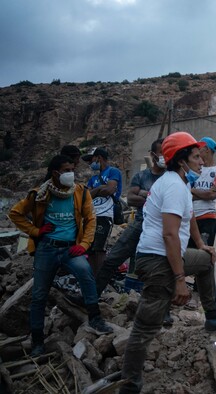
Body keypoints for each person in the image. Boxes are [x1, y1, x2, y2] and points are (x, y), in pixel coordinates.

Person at [120, 132, 216, 394]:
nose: (202, 162)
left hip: (165, 255)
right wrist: (179, 280)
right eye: (196, 157)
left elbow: (189, 218)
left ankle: (212, 315)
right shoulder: (175, 187)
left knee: (207, 260)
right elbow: (169, 234)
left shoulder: (180, 184)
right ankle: (129, 385)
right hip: (157, 261)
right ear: (181, 161)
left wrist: (201, 246)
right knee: (146, 327)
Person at [9, 155, 113, 357]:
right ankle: (37, 340)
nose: (70, 174)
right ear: (56, 172)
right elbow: (15, 213)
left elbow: (91, 219)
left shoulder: (80, 192)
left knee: (86, 274)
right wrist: (35, 231)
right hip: (46, 249)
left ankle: (95, 318)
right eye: (66, 170)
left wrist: (84, 245)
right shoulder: (40, 194)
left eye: (72, 169)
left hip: (70, 249)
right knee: (39, 294)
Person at [67, 140, 169, 322]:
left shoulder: (171, 178)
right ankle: (89, 299)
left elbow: (165, 202)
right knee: (111, 260)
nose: (164, 157)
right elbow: (130, 199)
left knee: (160, 269)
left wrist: (145, 196)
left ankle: (163, 312)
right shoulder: (141, 176)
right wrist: (155, 199)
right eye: (161, 153)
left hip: (162, 227)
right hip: (140, 222)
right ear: (153, 155)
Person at [84, 148, 122, 276]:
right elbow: (87, 195)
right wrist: (100, 187)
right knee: (90, 249)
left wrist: (97, 190)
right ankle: (91, 279)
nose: (90, 163)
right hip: (91, 216)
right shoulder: (93, 178)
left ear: (98, 158)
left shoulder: (113, 171)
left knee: (100, 249)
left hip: (105, 215)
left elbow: (110, 190)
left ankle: (99, 281)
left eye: (91, 160)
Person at [189, 136, 216, 247]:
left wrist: (192, 190)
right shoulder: (194, 170)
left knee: (204, 253)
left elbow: (212, 195)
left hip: (208, 219)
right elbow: (186, 195)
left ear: (207, 150)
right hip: (192, 218)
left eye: (200, 149)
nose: (197, 152)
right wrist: (204, 194)